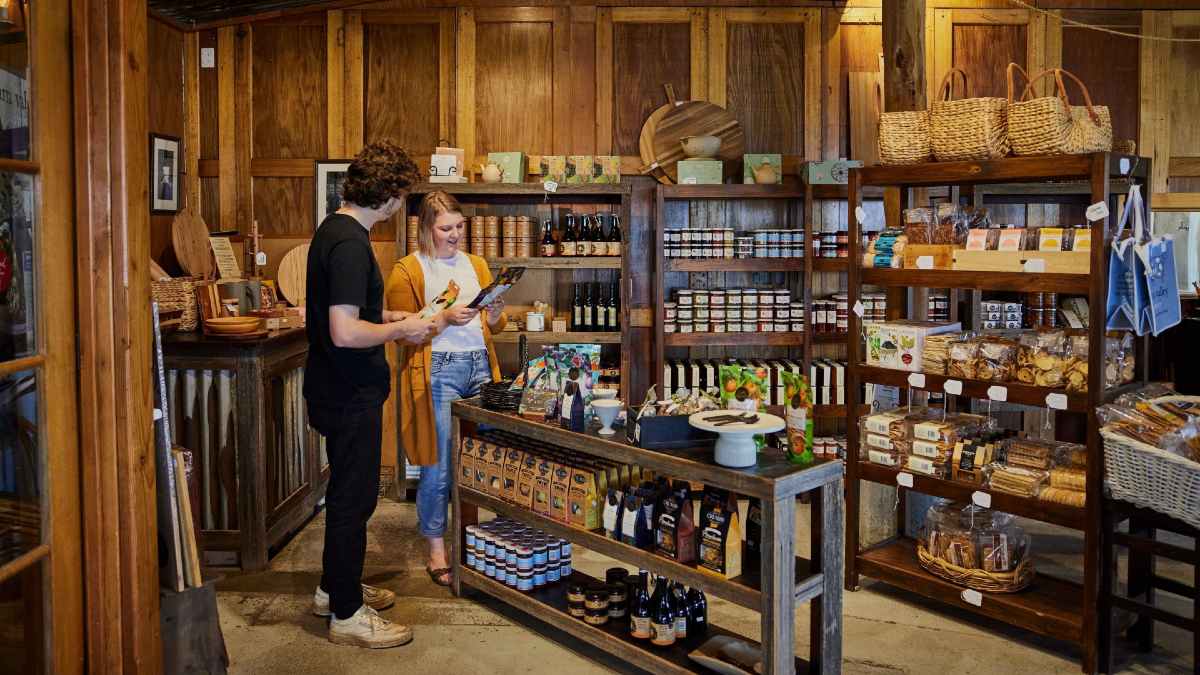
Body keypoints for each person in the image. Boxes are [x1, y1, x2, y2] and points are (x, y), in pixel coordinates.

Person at [304, 140, 440, 649]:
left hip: (337, 388)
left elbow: (352, 312)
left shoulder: (336, 233)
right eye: (401, 194)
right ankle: (346, 614)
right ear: (386, 195)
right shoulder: (350, 244)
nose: (402, 204)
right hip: (347, 392)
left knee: (349, 495)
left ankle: (331, 589)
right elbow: (343, 330)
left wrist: (396, 318)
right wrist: (401, 333)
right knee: (352, 500)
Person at [387, 191, 507, 587]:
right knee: (437, 467)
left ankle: (485, 540)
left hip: (480, 366)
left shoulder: (476, 264)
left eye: (459, 226)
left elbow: (495, 325)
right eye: (445, 228)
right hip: (437, 371)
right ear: (425, 228)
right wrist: (443, 318)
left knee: (485, 458)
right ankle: (437, 549)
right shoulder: (408, 270)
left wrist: (494, 313)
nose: (454, 235)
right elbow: (404, 334)